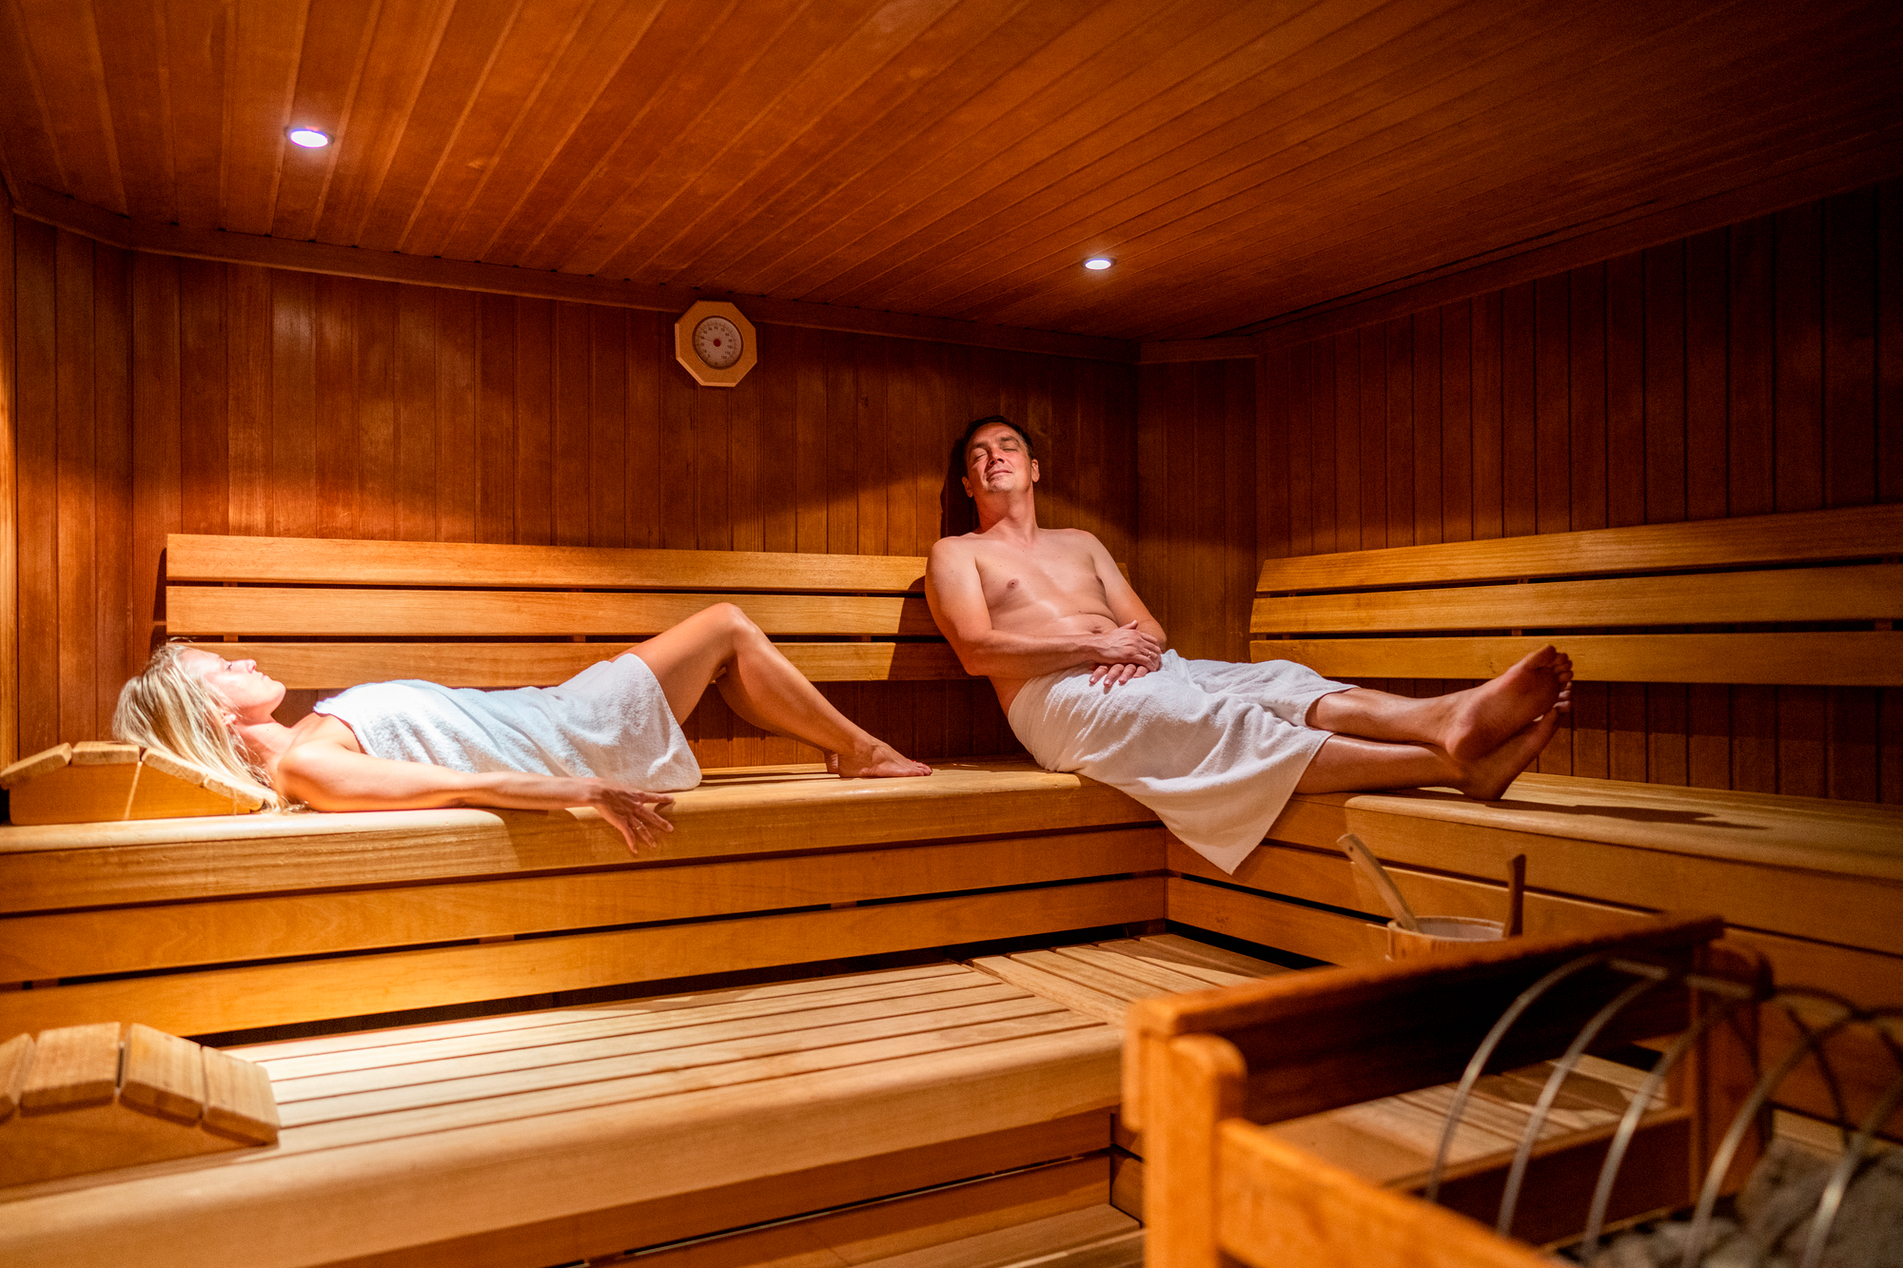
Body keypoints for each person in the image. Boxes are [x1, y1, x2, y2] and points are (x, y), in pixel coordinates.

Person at [924, 415, 1572, 873]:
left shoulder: (1081, 542)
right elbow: (977, 651)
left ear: (1034, 468)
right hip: (1054, 696)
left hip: (1142, 665)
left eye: (1007, 446)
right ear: (967, 485)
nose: (994, 457)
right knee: (1191, 715)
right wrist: (1091, 649)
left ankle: (1439, 719)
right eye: (978, 455)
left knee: (1278, 680)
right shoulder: (956, 552)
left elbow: (1151, 629)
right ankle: (1451, 767)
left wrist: (1130, 648)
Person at [113, 602, 932, 855]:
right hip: (569, 738)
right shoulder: (307, 764)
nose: (244, 661)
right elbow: (456, 785)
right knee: (722, 626)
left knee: (723, 630)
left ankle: (854, 750)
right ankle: (861, 752)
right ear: (213, 714)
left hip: (558, 711)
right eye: (223, 669)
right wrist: (580, 789)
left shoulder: (311, 737)